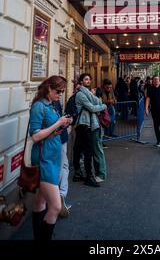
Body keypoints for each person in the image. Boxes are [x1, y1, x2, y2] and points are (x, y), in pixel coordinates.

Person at [30, 75, 71, 240]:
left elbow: (50, 131)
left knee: (41, 202)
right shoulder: (39, 106)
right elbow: (35, 136)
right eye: (58, 91)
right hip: (44, 159)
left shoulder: (50, 105)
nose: (60, 94)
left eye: (62, 91)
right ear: (48, 89)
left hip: (52, 157)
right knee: (55, 206)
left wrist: (63, 124)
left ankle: (38, 236)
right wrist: (58, 123)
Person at [73, 73, 107, 186]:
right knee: (86, 150)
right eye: (86, 79)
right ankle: (87, 174)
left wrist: (98, 102)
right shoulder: (81, 95)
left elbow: (97, 101)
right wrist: (103, 107)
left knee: (93, 149)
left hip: (93, 124)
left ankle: (99, 174)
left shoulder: (87, 92)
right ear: (81, 82)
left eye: (89, 79)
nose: (88, 81)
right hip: (86, 125)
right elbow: (93, 107)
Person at [54, 99, 73, 218]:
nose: (61, 93)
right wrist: (62, 121)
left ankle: (61, 196)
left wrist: (67, 120)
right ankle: (57, 199)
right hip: (57, 140)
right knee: (60, 168)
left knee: (64, 167)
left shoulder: (56, 101)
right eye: (59, 90)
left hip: (62, 137)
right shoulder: (45, 104)